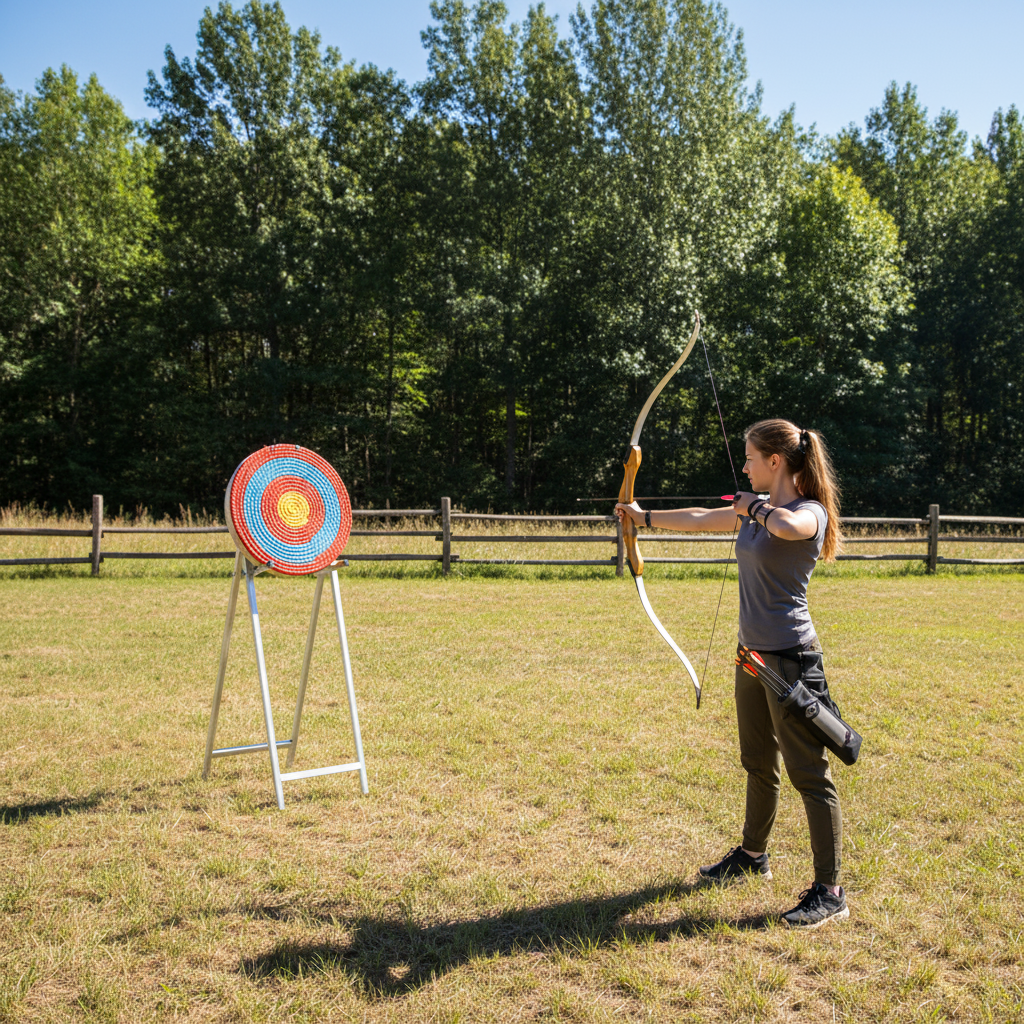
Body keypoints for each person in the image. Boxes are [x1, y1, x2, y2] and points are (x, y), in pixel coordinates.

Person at [615, 418, 848, 929]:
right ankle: (753, 855)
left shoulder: (807, 512)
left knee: (808, 772)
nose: (743, 466)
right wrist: (643, 517)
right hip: (753, 656)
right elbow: (703, 517)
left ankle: (830, 890)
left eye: (749, 458)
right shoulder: (753, 513)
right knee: (757, 759)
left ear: (776, 461)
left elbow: (788, 528)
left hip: (792, 661)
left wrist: (755, 508)